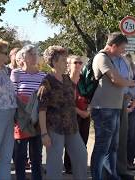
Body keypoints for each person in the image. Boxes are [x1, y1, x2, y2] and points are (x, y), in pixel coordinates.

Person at [90, 32, 135, 180]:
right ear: (113, 45)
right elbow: (116, 79)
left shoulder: (112, 58)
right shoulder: (101, 57)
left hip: (114, 107)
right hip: (103, 108)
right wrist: (130, 83)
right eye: (122, 47)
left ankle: (111, 175)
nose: (123, 51)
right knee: (102, 147)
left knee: (113, 147)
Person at [38, 45, 88, 179]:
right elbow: (41, 109)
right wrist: (44, 133)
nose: (66, 62)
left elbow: (71, 102)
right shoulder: (46, 82)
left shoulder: (67, 79)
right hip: (54, 128)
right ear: (54, 62)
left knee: (81, 156)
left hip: (72, 126)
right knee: (55, 165)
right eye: (63, 60)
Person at [10, 45, 46, 180]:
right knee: (20, 156)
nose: (34, 56)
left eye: (35, 54)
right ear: (22, 58)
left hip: (37, 120)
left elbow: (45, 98)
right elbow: (13, 95)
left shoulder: (43, 75)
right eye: (30, 54)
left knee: (36, 156)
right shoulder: (16, 73)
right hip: (21, 120)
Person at [0, 39, 17, 180]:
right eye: (5, 52)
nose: (7, 55)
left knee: (7, 155)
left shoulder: (7, 71)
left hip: (10, 115)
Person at [63, 55, 91, 174]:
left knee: (83, 141)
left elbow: (92, 96)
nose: (79, 65)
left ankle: (79, 165)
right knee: (71, 142)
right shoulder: (65, 81)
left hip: (86, 113)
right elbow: (65, 102)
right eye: (76, 62)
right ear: (68, 65)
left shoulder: (85, 79)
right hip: (72, 115)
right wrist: (80, 112)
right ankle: (69, 167)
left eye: (80, 62)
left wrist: (88, 111)